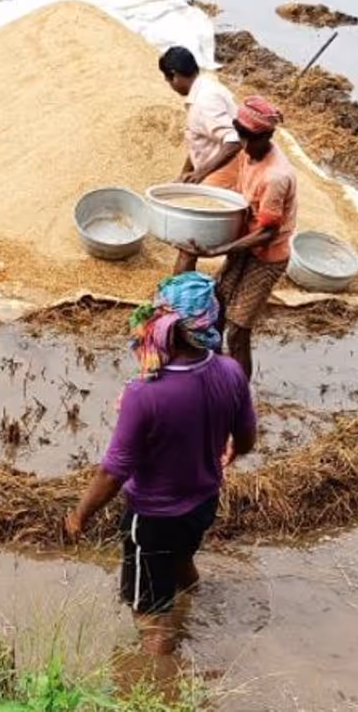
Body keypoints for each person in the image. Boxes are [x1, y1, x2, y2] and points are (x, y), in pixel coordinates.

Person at [65, 272, 257, 656]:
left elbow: (113, 471)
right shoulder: (231, 371)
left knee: (150, 617)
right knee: (183, 557)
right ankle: (194, 602)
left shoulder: (144, 394)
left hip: (152, 518)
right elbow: (246, 439)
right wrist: (228, 451)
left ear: (162, 324)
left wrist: (80, 515)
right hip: (203, 503)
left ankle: (158, 685)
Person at [179, 96, 297, 380]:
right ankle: (213, 370)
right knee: (217, 303)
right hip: (245, 244)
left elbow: (268, 232)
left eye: (249, 140)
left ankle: (238, 395)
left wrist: (220, 248)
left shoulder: (275, 176)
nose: (243, 146)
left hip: (267, 256)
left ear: (266, 137)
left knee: (239, 329)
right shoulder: (248, 152)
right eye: (241, 137)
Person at [158, 46, 243, 190]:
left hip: (222, 178)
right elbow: (199, 142)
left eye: (169, 81)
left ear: (175, 75)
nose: (171, 87)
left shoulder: (205, 101)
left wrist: (200, 173)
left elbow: (234, 139)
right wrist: (184, 175)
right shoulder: (205, 87)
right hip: (211, 173)